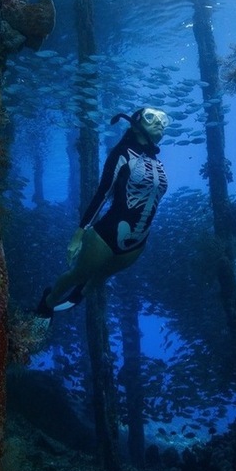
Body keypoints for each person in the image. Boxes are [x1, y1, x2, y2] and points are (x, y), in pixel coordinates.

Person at [30, 107, 170, 339]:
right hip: (106, 235)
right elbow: (103, 193)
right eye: (150, 117)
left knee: (98, 279)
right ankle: (48, 303)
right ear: (136, 123)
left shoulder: (158, 164)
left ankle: (72, 299)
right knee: (78, 274)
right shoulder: (122, 153)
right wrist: (78, 234)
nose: (159, 123)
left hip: (137, 244)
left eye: (163, 120)